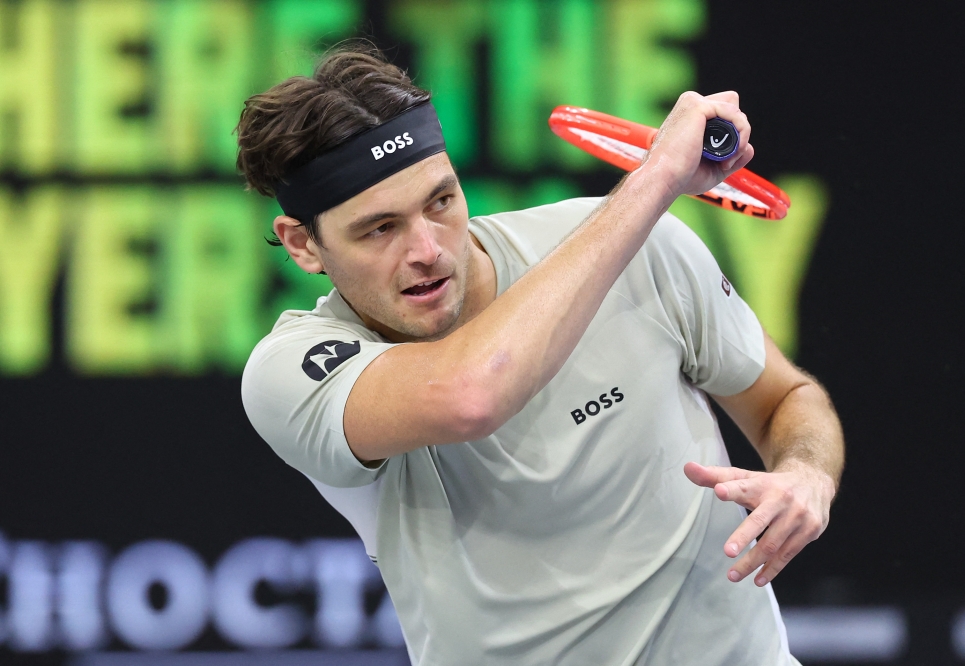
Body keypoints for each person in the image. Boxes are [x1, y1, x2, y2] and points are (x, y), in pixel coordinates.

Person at [237, 42, 843, 665]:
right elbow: (472, 395)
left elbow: (785, 400)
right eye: (380, 228)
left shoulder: (644, 244)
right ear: (303, 245)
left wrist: (806, 473)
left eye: (440, 202)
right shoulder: (289, 371)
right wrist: (656, 179)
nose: (427, 250)